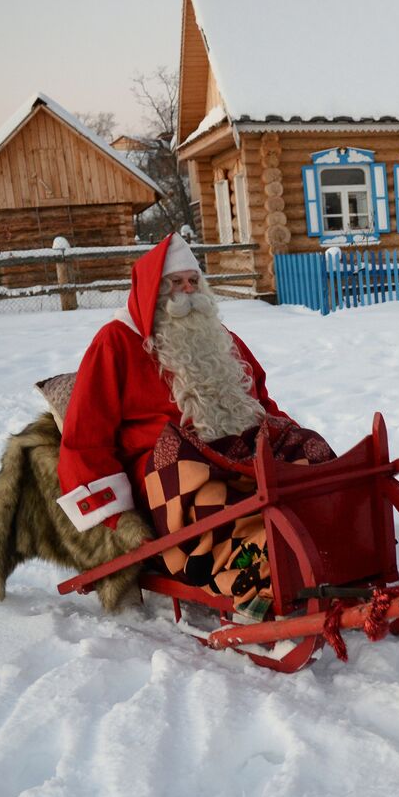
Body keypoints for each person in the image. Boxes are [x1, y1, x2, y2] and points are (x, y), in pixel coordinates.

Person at [57, 233, 333, 618]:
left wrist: (285, 436)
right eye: (175, 283)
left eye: (193, 281)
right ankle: (259, 576)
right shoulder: (115, 342)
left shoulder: (220, 337)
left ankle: (335, 537)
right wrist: (118, 521)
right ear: (153, 291)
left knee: (307, 447)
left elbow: (260, 400)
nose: (186, 291)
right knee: (195, 478)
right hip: (166, 466)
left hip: (233, 448)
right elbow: (85, 437)